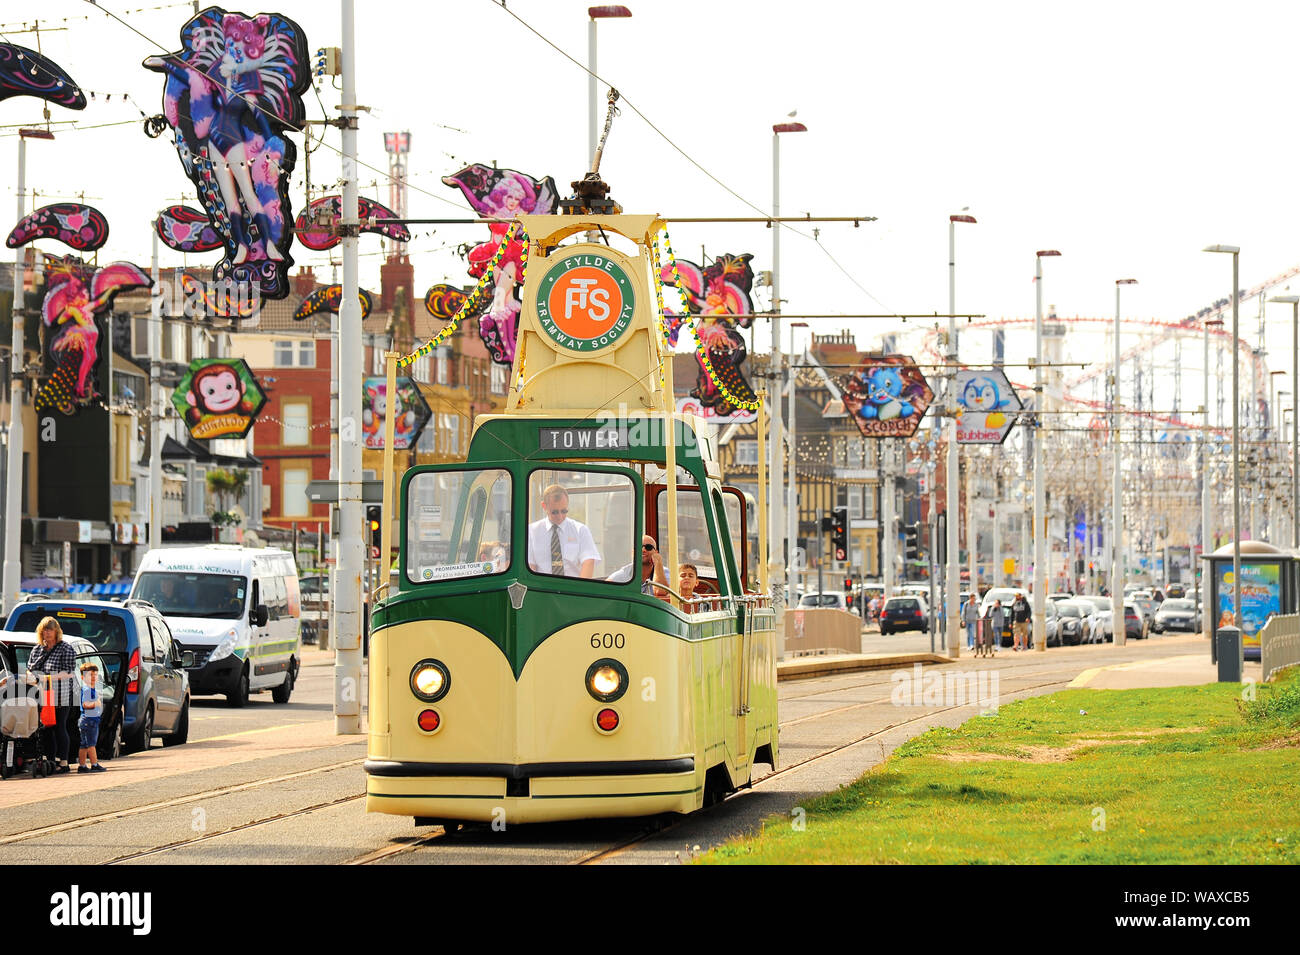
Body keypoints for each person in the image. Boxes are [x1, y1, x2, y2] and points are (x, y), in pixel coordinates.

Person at [26, 617, 77, 774]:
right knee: (46, 728)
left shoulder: (65, 648)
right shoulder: (37, 649)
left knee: (59, 726)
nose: (47, 633)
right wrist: (31, 678)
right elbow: (30, 669)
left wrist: (45, 678)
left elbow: (68, 672)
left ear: (57, 632)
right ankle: (50, 760)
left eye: (50, 629)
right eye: (44, 630)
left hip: (61, 694)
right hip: (42, 694)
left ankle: (64, 762)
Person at [527, 484, 599, 578]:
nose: (560, 516)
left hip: (572, 588)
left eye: (564, 511)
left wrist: (580, 590)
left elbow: (589, 562)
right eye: (555, 512)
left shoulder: (581, 530)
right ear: (544, 506)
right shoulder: (532, 532)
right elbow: (530, 567)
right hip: (543, 589)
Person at [607, 535, 670, 600]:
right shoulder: (623, 574)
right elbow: (605, 590)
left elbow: (660, 592)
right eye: (639, 547)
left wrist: (658, 563)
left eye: (648, 547)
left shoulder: (664, 572)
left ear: (656, 553)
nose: (643, 550)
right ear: (633, 552)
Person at [76, 663, 106, 774]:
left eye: (95, 675)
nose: (93, 677)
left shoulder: (89, 689)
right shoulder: (87, 690)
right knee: (91, 744)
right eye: (90, 675)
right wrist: (96, 703)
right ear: (83, 677)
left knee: (84, 744)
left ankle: (82, 765)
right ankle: (94, 764)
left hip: (87, 720)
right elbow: (85, 704)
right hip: (89, 720)